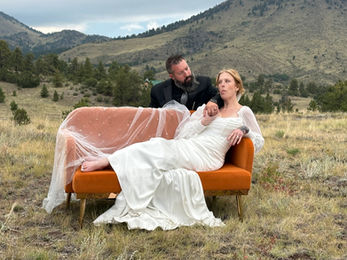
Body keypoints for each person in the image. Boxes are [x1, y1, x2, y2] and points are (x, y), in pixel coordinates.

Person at [81, 68, 264, 230]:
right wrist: (204, 121)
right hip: (191, 146)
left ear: (237, 87)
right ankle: (110, 161)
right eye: (220, 82)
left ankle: (108, 161)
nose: (222, 85)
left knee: (158, 149)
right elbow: (185, 132)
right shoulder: (210, 107)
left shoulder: (244, 111)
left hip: (209, 156)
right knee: (156, 145)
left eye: (227, 82)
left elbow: (259, 140)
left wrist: (243, 130)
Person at [149, 54, 219, 115]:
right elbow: (151, 115)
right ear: (172, 76)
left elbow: (220, 95)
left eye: (187, 68)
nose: (187, 74)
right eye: (180, 73)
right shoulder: (158, 91)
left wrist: (213, 101)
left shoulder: (204, 83)